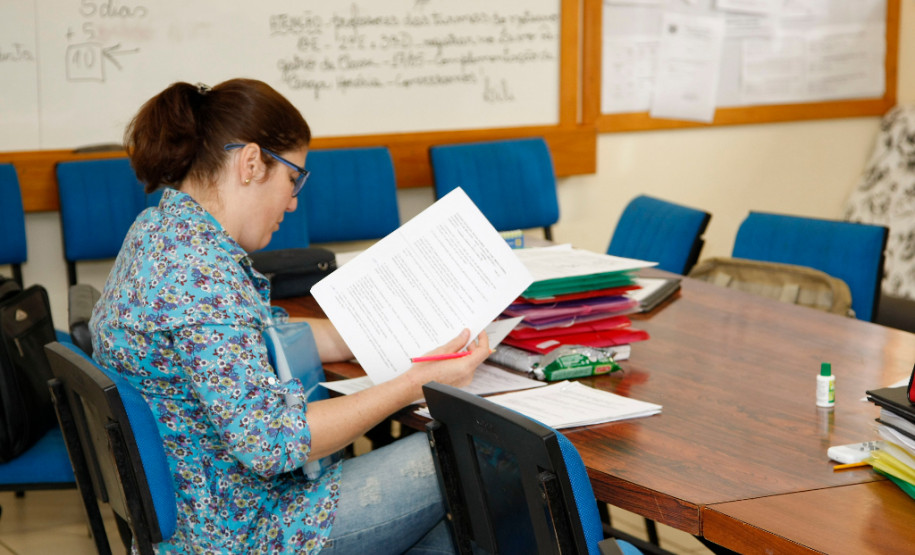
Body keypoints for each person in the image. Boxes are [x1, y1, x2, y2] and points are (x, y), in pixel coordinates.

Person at [89, 78, 490, 554]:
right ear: (251, 162)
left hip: (213, 516)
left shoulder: (161, 232)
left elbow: (267, 334)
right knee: (483, 452)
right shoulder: (197, 278)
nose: (294, 200)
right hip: (247, 533)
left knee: (454, 534)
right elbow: (273, 440)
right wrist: (414, 382)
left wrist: (402, 339)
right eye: (293, 177)